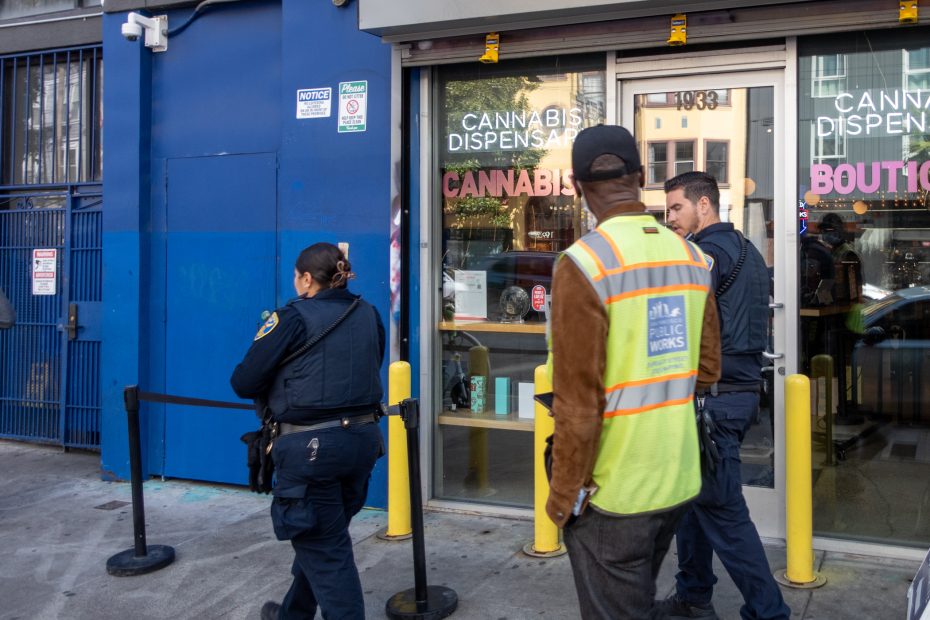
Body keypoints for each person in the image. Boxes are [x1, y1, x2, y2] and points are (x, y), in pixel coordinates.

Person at [546, 124, 722, 619]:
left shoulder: (583, 264)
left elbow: (578, 404)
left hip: (615, 491)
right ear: (642, 178)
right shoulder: (692, 255)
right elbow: (708, 369)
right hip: (677, 477)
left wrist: (563, 498)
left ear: (578, 187)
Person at [230, 242, 385, 620]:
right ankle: (292, 615)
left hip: (311, 451)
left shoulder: (292, 318)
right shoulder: (368, 313)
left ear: (304, 279)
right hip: (361, 444)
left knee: (328, 553)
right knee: (322, 537)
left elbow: (244, 381)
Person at [662, 171, 790, 620]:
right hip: (735, 396)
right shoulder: (749, 252)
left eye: (676, 207)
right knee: (695, 505)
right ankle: (693, 595)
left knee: (724, 513)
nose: (670, 216)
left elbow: (682, 327)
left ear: (704, 205)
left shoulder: (703, 256)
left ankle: (768, 611)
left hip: (713, 402)